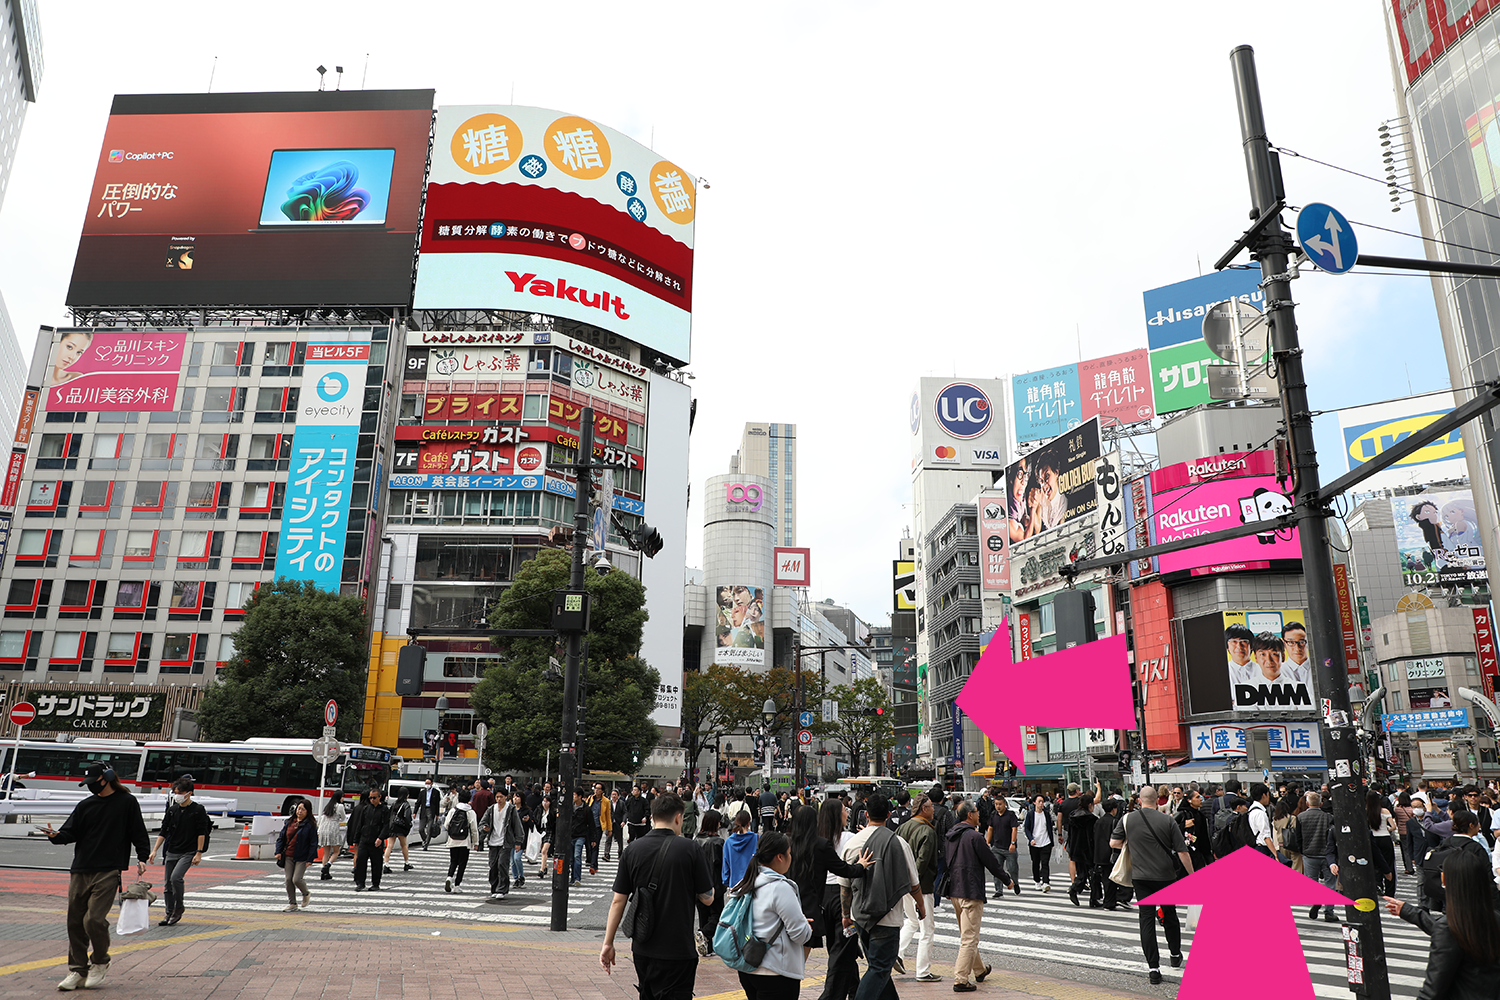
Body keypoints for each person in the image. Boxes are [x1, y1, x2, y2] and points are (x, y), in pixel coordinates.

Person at [44, 762, 151, 992]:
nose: (90, 787)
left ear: (108, 778)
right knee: (74, 921)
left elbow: (138, 832)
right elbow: (70, 832)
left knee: (93, 919)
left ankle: (101, 961)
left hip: (109, 869)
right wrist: (55, 835)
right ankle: (77, 969)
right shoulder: (85, 805)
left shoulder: (126, 803)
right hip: (81, 868)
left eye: (93, 782)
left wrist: (142, 857)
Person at [601, 793, 714, 1000]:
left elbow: (618, 900)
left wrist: (608, 943)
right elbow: (707, 898)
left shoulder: (632, 850)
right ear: (679, 818)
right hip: (678, 949)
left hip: (643, 948)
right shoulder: (690, 849)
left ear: (652, 817)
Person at [1110, 785, 1194, 985]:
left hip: (1141, 877)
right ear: (1157, 800)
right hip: (1165, 876)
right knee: (1169, 914)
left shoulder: (1128, 819)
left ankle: (1153, 968)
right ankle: (1174, 954)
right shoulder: (1167, 820)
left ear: (1140, 800)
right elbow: (1182, 851)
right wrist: (1192, 876)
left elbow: (1113, 843)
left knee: (1146, 919)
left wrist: (1133, 843)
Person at [843, 795, 924, 1000]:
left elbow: (844, 886)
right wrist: (921, 906)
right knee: (880, 967)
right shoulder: (898, 843)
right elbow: (914, 884)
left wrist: (846, 914)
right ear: (888, 815)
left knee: (878, 965)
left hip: (860, 915)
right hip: (887, 917)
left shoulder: (852, 843)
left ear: (866, 815)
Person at [1388, 850, 1500, 997]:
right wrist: (1410, 912)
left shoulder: (1450, 927)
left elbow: (1432, 990)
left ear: (1445, 879)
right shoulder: (1493, 918)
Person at [731, 831, 814, 1000]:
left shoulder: (745, 883)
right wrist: (806, 926)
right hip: (775, 971)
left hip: (747, 967)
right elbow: (799, 935)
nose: (791, 857)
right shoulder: (780, 887)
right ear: (779, 857)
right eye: (789, 853)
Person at [945, 799, 1012, 991]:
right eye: (976, 811)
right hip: (970, 890)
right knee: (969, 938)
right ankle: (960, 979)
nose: (978, 814)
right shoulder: (975, 837)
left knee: (967, 933)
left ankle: (980, 970)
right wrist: (1007, 880)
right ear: (969, 815)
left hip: (955, 891)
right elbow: (991, 861)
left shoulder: (950, 835)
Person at [148, 775, 209, 927]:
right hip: (172, 850)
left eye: (180, 793)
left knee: (176, 878)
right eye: (175, 792)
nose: (177, 796)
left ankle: (179, 907)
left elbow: (202, 832)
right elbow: (164, 831)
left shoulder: (197, 810)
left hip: (188, 851)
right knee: (168, 884)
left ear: (189, 793)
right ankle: (169, 912)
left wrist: (199, 852)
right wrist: (154, 850)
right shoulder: (172, 810)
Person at [896, 794, 941, 981]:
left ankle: (897, 953)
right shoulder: (928, 832)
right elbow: (922, 861)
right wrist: (915, 883)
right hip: (921, 886)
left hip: (904, 884)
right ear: (924, 809)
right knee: (927, 928)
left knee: (912, 921)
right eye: (930, 806)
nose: (933, 809)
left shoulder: (901, 828)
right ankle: (923, 971)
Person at [274, 798, 319, 912]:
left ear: (308, 811)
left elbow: (313, 843)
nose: (300, 811)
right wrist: (278, 851)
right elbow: (281, 838)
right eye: (299, 809)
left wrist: (310, 858)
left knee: (297, 879)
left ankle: (306, 893)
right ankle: (292, 903)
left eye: (303, 810)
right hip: (288, 855)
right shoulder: (289, 822)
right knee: (288, 880)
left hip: (302, 856)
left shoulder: (310, 825)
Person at [695, 808, 727, 956]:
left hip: (698, 884)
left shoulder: (696, 841)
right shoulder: (719, 842)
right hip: (715, 884)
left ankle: (707, 946)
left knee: (703, 913)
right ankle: (704, 934)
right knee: (717, 914)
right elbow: (723, 865)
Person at [483, 788, 525, 899]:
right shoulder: (491, 809)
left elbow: (517, 826)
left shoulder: (510, 809)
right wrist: (484, 828)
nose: (499, 799)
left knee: (502, 864)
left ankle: (502, 889)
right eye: (497, 797)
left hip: (505, 842)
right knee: (493, 866)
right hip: (493, 841)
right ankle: (494, 888)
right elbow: (482, 822)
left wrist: (518, 841)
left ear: (506, 797)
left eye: (501, 796)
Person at [348, 787, 391, 891]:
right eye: (370, 798)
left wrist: (381, 837)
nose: (372, 800)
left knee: (376, 863)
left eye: (374, 798)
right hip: (364, 839)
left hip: (376, 840)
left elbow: (386, 825)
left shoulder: (385, 810)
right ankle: (360, 883)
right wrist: (356, 839)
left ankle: (375, 883)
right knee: (360, 861)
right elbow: (360, 824)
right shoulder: (366, 809)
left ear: (380, 797)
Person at [1090, 796, 1128, 910]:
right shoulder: (1115, 821)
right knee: (1112, 879)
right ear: (1114, 809)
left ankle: (1104, 900)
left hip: (1099, 854)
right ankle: (1109, 902)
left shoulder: (1098, 821)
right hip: (1111, 854)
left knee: (1105, 878)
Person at [443, 787, 479, 893]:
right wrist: (476, 842)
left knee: (453, 861)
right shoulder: (470, 812)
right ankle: (457, 885)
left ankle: (449, 877)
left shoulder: (453, 810)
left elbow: (446, 825)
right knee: (462, 863)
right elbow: (474, 829)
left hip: (453, 840)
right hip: (464, 841)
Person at [1065, 789, 1096, 907]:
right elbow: (1092, 837)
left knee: (1082, 873)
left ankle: (1075, 889)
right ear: (1089, 805)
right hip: (1087, 849)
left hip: (1075, 848)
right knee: (1093, 875)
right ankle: (1093, 898)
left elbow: (1071, 834)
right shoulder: (1091, 819)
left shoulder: (1073, 816)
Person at [985, 793, 1021, 897]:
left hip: (1009, 847)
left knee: (1012, 869)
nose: (998, 806)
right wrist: (987, 842)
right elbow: (990, 828)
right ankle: (998, 890)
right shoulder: (993, 815)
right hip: (996, 847)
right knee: (997, 869)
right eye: (996, 804)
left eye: (1000, 804)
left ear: (1005, 804)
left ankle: (1015, 883)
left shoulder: (1010, 815)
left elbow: (1014, 829)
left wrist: (1013, 843)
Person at [1175, 788, 1212, 874]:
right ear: (1189, 800)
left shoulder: (1200, 815)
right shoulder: (1182, 814)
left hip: (1198, 851)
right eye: (1197, 797)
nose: (1200, 799)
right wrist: (1183, 825)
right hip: (1186, 852)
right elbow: (1170, 829)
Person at [1370, 789, 1398, 897]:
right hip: (1385, 838)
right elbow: (1393, 827)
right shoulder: (1385, 811)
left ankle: (1377, 885)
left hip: (1372, 839)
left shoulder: (1365, 811)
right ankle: (1390, 891)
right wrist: (1387, 828)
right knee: (1389, 864)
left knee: (1375, 864)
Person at [1023, 793, 1054, 891]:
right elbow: (1026, 828)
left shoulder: (1046, 814)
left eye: (1042, 801)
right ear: (1034, 803)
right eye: (1039, 801)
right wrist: (1031, 839)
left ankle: (1045, 882)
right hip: (1034, 843)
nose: (1041, 804)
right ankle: (1037, 880)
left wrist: (1052, 842)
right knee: (1035, 863)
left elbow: (1049, 827)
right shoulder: (1031, 814)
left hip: (1046, 842)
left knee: (1045, 863)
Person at [724, 806, 759, 890]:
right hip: (753, 883)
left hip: (735, 884)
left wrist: (727, 881)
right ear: (748, 823)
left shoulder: (728, 842)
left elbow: (726, 864)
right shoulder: (757, 838)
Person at [384, 787, 414, 875]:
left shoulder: (394, 803)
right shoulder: (406, 804)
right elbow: (407, 817)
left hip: (392, 826)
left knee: (389, 846)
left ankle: (386, 864)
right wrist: (408, 826)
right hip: (401, 827)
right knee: (404, 845)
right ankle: (406, 862)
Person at [570, 787, 596, 887]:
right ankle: (572, 878)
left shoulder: (586, 809)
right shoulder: (570, 808)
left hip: (581, 835)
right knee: (571, 859)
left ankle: (577, 878)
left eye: (574, 795)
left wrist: (593, 839)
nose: (573, 797)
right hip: (571, 836)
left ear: (580, 796)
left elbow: (592, 824)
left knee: (577, 856)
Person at [318, 794, 346, 881]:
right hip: (333, 827)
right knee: (336, 851)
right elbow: (343, 817)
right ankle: (328, 865)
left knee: (326, 852)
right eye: (342, 796)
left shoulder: (328, 806)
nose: (343, 798)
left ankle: (324, 872)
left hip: (324, 828)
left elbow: (323, 818)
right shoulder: (340, 806)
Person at [1247, 782, 1276, 857]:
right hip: (1263, 848)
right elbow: (1266, 836)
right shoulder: (1260, 813)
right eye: (1268, 795)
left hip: (1256, 846)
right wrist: (1275, 854)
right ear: (1264, 795)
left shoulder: (1251, 810)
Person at [590, 782, 612, 871]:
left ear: (602, 791)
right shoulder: (590, 799)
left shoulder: (606, 801)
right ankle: (594, 864)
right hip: (590, 825)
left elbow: (608, 816)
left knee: (595, 844)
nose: (596, 790)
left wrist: (609, 829)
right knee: (590, 845)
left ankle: (592, 865)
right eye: (595, 788)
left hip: (599, 826)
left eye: (598, 788)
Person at [417, 777, 443, 850]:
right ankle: (425, 840)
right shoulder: (422, 792)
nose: (427, 785)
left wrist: (437, 814)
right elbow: (418, 802)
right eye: (426, 783)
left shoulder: (436, 792)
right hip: (423, 810)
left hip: (431, 811)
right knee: (421, 829)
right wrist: (415, 812)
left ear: (431, 784)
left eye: (428, 783)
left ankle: (426, 845)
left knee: (429, 829)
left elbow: (437, 804)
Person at [605, 788, 623, 862]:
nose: (614, 796)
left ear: (618, 796)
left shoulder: (621, 803)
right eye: (612, 794)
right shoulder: (608, 803)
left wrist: (623, 821)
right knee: (608, 839)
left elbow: (625, 812)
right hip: (610, 823)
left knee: (619, 840)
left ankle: (620, 853)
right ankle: (607, 854)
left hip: (618, 823)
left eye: (615, 794)